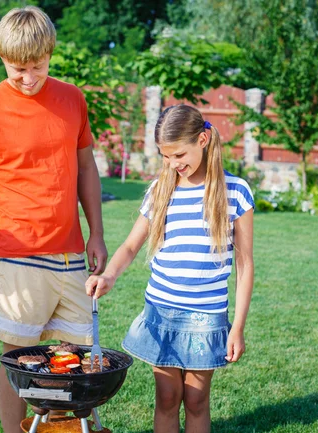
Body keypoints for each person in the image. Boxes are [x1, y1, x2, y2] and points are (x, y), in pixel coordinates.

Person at [0, 6, 107, 431]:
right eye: (17, 68)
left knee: (74, 359)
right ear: (0, 57)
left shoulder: (72, 98)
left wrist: (96, 233)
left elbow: (87, 169)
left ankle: (60, 429)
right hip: (16, 255)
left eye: (37, 67)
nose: (27, 77)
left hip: (71, 254)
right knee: (17, 360)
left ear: (50, 55)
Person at [86, 104, 254, 433]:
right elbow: (131, 245)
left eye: (179, 154)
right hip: (161, 311)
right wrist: (109, 275)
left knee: (196, 399)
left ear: (203, 139)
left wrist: (238, 327)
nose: (173, 164)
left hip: (207, 316)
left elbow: (245, 264)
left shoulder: (235, 191)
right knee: (166, 396)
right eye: (166, 157)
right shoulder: (162, 190)